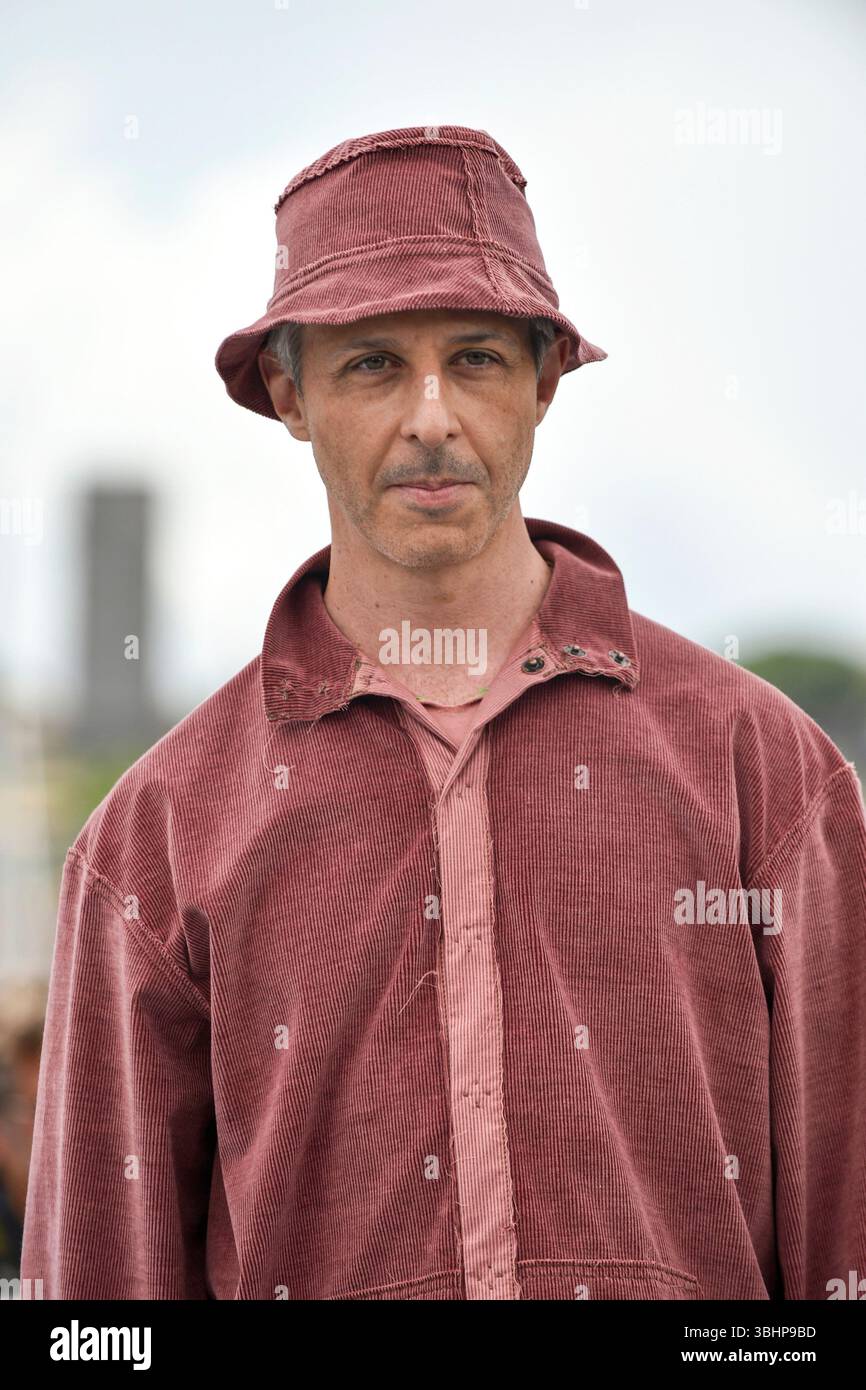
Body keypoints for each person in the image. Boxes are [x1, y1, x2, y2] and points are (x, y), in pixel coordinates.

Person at [21, 125, 866, 1301]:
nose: (430, 418)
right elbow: (99, 1308)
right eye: (371, 364)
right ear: (288, 392)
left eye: (473, 358)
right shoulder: (153, 838)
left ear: (543, 381)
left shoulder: (763, 772)